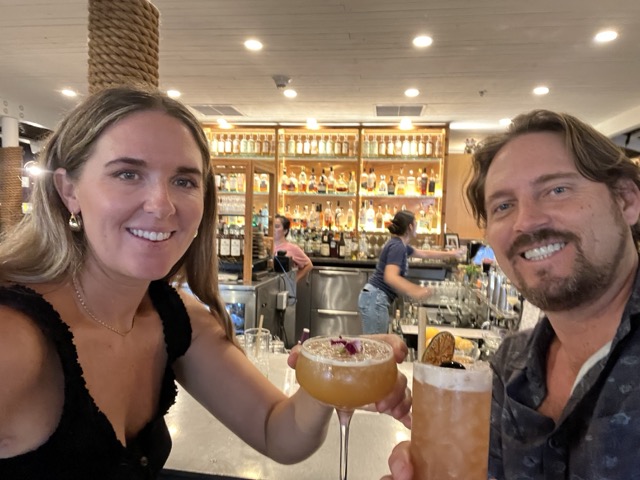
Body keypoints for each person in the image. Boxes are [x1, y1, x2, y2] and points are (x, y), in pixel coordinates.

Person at [0, 86, 412, 479]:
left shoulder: (175, 318)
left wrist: (333, 368)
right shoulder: (14, 338)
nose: (161, 205)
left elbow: (277, 432)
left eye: (184, 181)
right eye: (127, 173)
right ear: (68, 190)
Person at [383, 109, 640, 479]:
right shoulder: (509, 367)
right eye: (504, 206)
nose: (526, 221)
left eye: (557, 190)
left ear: (626, 200)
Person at [358, 210, 464, 334]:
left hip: (373, 298)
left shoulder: (400, 245)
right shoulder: (398, 247)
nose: (417, 226)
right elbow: (390, 276)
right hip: (375, 299)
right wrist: (416, 290)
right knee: (376, 349)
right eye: (416, 223)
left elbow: (424, 253)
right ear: (410, 226)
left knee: (377, 346)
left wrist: (452, 253)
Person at [273, 214, 313, 283]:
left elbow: (309, 265)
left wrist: (295, 279)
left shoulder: (292, 248)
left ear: (285, 230)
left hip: (284, 288)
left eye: (276, 227)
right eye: (271, 226)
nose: (273, 229)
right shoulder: (266, 246)